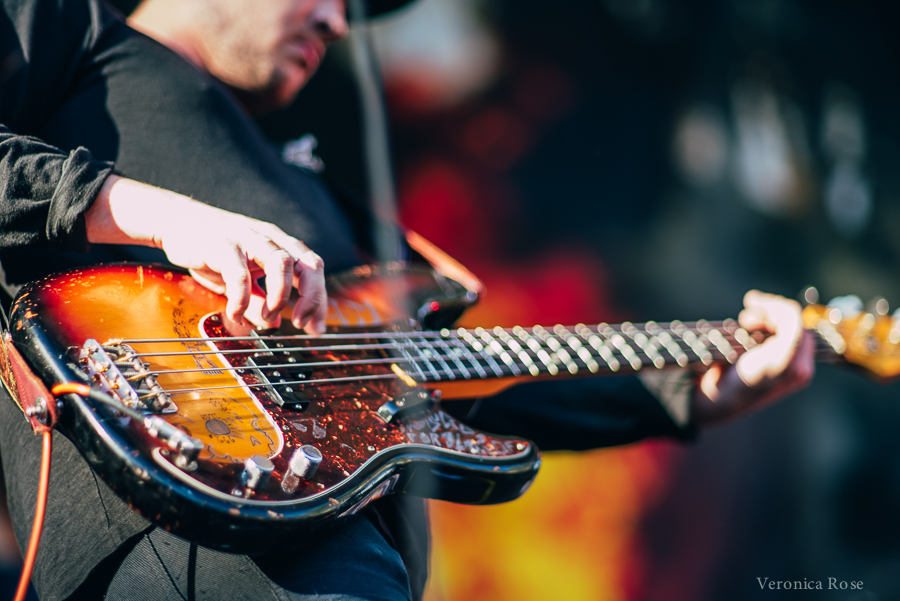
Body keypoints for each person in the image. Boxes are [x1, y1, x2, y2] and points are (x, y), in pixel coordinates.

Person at [0, 0, 814, 599]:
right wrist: (165, 218)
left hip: (339, 543)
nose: (341, 22)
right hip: (175, 514)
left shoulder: (329, 192)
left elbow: (439, 398)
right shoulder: (81, 33)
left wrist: (690, 391)